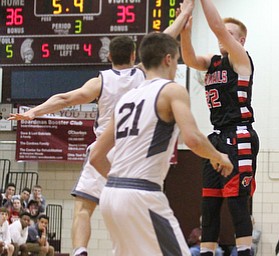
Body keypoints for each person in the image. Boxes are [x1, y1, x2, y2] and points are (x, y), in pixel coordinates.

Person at [89, 28, 233, 255]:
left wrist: (123, 184)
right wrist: (219, 156)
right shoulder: (172, 90)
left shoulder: (126, 98)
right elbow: (193, 139)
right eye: (176, 60)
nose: (176, 66)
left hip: (111, 195)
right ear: (168, 59)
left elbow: (96, 156)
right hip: (142, 194)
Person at [8, 35, 146, 256]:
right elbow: (162, 40)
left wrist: (33, 112)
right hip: (134, 153)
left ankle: (80, 250)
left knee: (83, 208)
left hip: (104, 150)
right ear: (133, 55)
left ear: (109, 56)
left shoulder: (100, 81)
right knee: (134, 211)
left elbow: (65, 99)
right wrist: (184, 17)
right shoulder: (143, 75)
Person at [179, 0, 260, 255]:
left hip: (240, 134)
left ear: (241, 40)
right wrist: (185, 30)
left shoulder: (241, 59)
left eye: (229, 33)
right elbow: (189, 58)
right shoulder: (213, 61)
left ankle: (245, 251)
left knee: (237, 202)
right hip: (217, 137)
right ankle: (206, 252)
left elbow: (217, 27)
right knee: (210, 202)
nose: (221, 37)